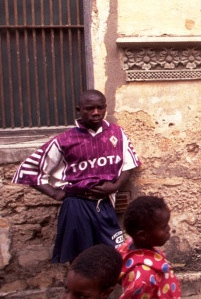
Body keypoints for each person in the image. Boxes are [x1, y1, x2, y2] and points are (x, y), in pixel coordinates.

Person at [12, 89, 141, 263]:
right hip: (76, 206)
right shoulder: (64, 140)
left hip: (104, 204)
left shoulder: (117, 134)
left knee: (113, 256)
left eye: (99, 108)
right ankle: (81, 290)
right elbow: (28, 170)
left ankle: (104, 290)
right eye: (89, 108)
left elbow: (130, 163)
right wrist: (56, 193)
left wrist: (115, 186)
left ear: (105, 108)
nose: (96, 113)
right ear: (79, 110)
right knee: (80, 260)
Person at [118, 195, 181, 299]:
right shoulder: (143, 279)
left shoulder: (130, 246)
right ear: (142, 235)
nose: (169, 228)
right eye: (164, 226)